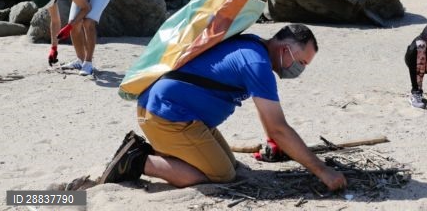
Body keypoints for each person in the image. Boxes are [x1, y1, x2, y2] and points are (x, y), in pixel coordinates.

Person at [98, 24, 347, 191]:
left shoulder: (253, 46)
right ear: (285, 50)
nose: (299, 70)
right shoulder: (257, 63)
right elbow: (278, 127)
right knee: (221, 176)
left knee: (231, 165)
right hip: (167, 116)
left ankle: (162, 152)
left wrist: (274, 141)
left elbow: (269, 120)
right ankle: (137, 161)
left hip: (177, 114)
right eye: (300, 62)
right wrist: (322, 170)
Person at [27, 0, 115, 76]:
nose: (49, 4)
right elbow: (55, 21)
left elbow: (86, 8)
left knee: (88, 22)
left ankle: (88, 63)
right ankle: (80, 60)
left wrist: (69, 26)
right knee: (74, 23)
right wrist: (54, 48)